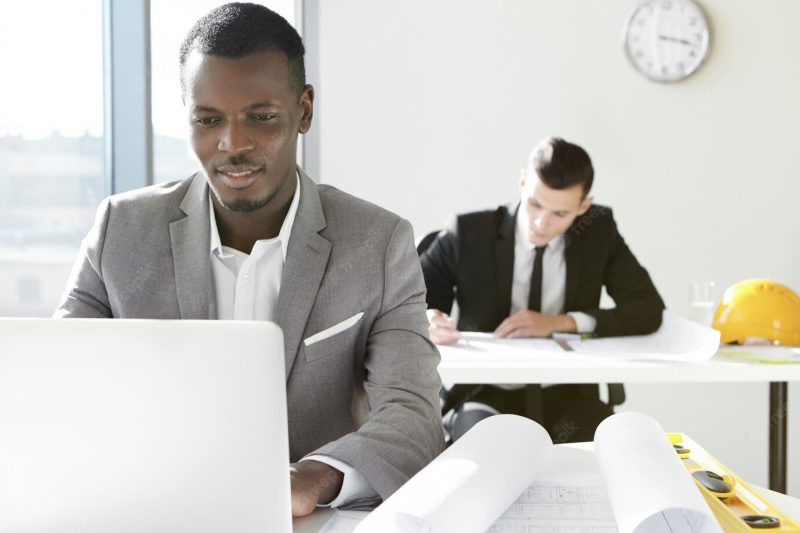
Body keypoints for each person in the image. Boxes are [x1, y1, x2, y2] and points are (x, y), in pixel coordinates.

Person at [55, 2, 443, 516]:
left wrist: (314, 478)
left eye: (261, 118)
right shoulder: (120, 231)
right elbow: (57, 385)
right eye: (208, 119)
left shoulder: (378, 242)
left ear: (304, 111)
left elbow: (413, 416)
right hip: (147, 511)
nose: (231, 144)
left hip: (300, 521)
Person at [421, 136, 664, 442]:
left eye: (560, 214)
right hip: (487, 391)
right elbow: (408, 303)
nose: (541, 222)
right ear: (522, 182)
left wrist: (562, 323)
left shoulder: (598, 230)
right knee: (486, 454)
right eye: (535, 203)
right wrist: (429, 319)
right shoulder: (469, 232)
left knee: (619, 449)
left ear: (583, 206)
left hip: (567, 391)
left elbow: (647, 308)